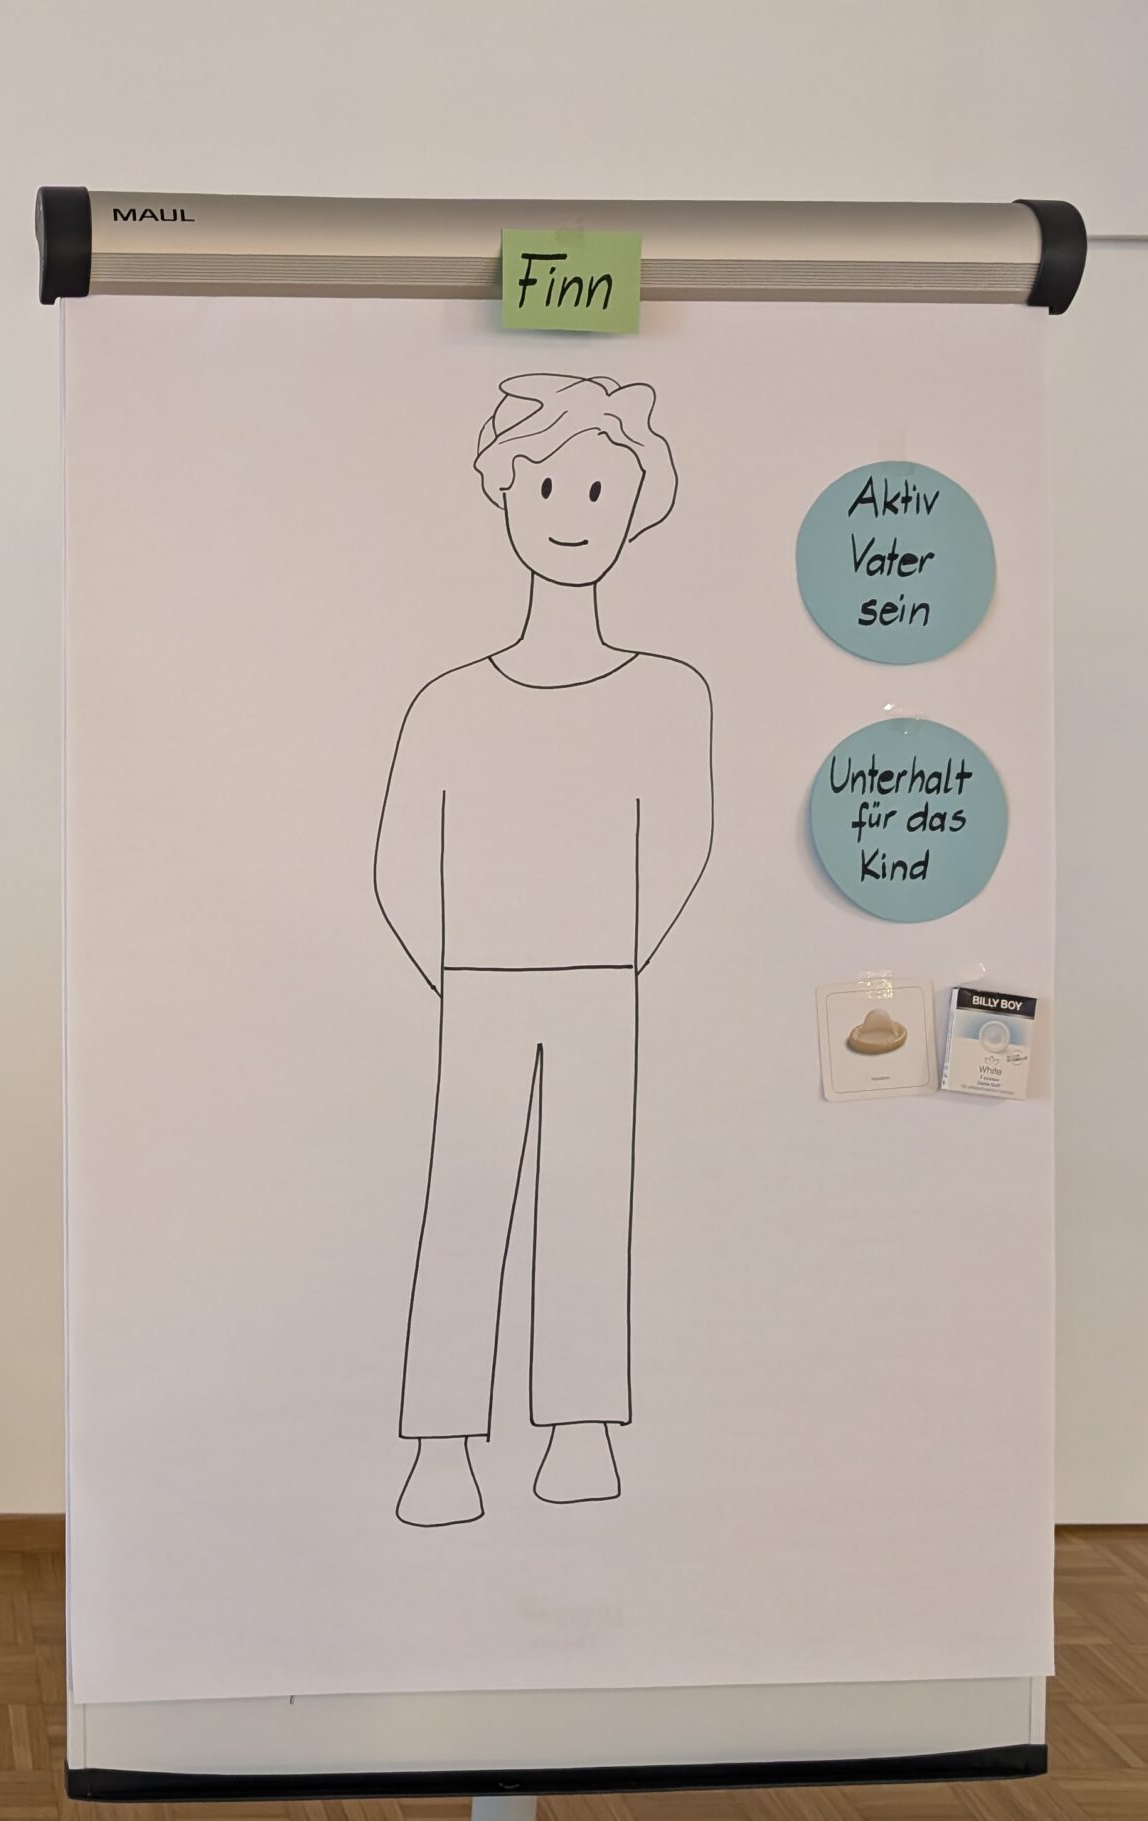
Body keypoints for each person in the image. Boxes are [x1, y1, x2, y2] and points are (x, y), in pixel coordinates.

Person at [373, 373, 712, 1528]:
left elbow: (680, 847)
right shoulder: (448, 704)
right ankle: (439, 1444)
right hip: (478, 983)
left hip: (600, 981)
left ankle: (579, 1425)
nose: (574, 512)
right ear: (509, 495)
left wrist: (605, 956)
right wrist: (467, 971)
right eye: (550, 486)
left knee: (585, 1198)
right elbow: (399, 865)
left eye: (600, 489)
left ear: (635, 506)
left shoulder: (667, 695)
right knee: (465, 1194)